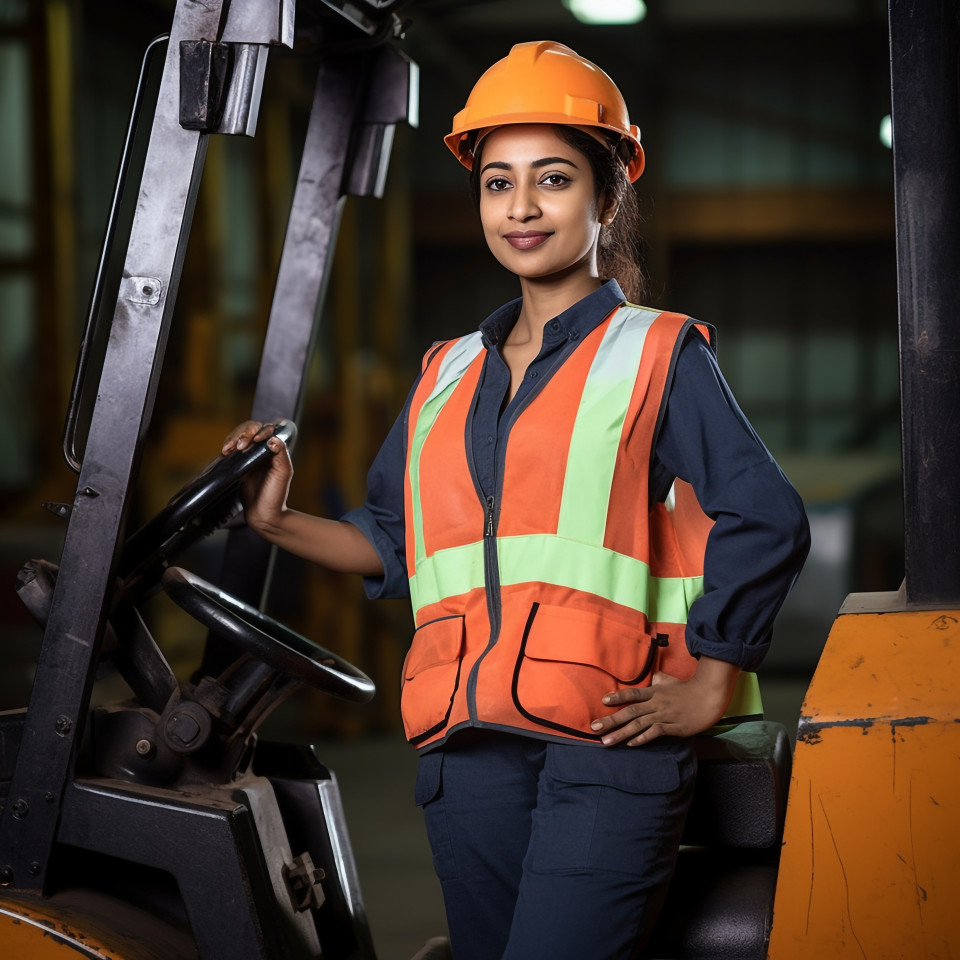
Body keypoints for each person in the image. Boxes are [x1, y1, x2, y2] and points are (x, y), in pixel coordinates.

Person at [224, 41, 810, 960]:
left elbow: (767, 513)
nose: (522, 207)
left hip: (604, 750)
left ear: (606, 199)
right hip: (464, 754)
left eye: (553, 179)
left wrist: (710, 676)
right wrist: (274, 521)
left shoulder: (654, 352)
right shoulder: (446, 372)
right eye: (499, 183)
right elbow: (393, 537)